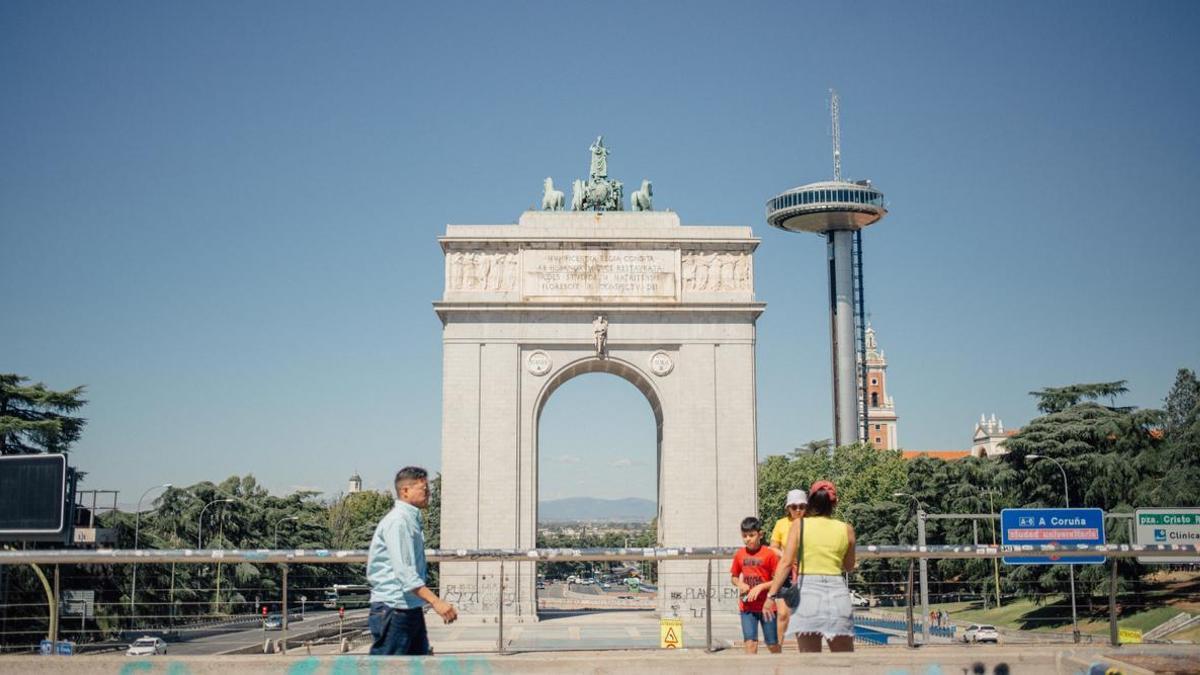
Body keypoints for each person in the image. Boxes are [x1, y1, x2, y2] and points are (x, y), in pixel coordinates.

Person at [366, 466, 457, 655]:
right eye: (424, 489)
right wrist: (436, 602)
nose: (428, 493)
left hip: (409, 607)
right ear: (405, 491)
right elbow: (405, 573)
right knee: (388, 669)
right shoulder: (399, 522)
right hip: (394, 608)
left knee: (416, 667)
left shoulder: (410, 520)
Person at [764, 480, 857, 653]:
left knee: (809, 662)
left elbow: (785, 563)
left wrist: (771, 596)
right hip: (837, 593)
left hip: (808, 594)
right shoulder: (847, 529)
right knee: (844, 662)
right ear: (834, 503)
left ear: (811, 503)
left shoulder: (799, 525)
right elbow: (849, 566)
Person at [730, 516, 781, 654]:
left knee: (772, 644)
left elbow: (778, 580)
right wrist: (740, 583)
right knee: (750, 643)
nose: (748, 539)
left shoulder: (769, 554)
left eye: (751, 535)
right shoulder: (739, 555)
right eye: (744, 536)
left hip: (767, 607)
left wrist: (761, 587)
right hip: (747, 608)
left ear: (760, 534)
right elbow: (733, 577)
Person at [768, 489, 807, 645]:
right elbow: (772, 547)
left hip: (804, 573)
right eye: (794, 506)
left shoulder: (810, 524)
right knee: (783, 614)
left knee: (800, 616)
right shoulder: (781, 524)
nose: (798, 510)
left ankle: (803, 651)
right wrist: (787, 557)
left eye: (802, 506)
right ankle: (777, 648)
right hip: (786, 573)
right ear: (788, 508)